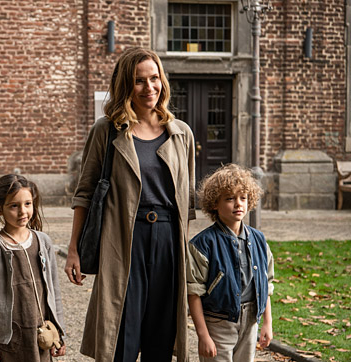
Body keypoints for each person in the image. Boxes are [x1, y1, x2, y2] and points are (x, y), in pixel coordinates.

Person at [64, 47, 196, 362]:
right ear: (126, 85)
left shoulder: (181, 134)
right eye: (139, 81)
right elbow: (85, 193)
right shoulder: (106, 131)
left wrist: (184, 250)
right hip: (123, 239)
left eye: (154, 79)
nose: (149, 88)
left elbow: (186, 202)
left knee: (161, 336)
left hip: (167, 242)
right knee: (120, 333)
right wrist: (73, 250)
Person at [187, 164, 274, 362]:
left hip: (251, 320)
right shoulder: (203, 244)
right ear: (214, 204)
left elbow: (266, 284)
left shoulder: (259, 240)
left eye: (243, 198)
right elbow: (193, 292)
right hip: (218, 323)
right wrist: (203, 336)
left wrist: (267, 323)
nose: (238, 204)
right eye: (229, 198)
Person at [0, 174, 66, 362]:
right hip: (8, 339)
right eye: (14, 206)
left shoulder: (43, 242)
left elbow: (54, 291)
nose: (22, 211)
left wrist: (59, 333)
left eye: (27, 204)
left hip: (41, 336)